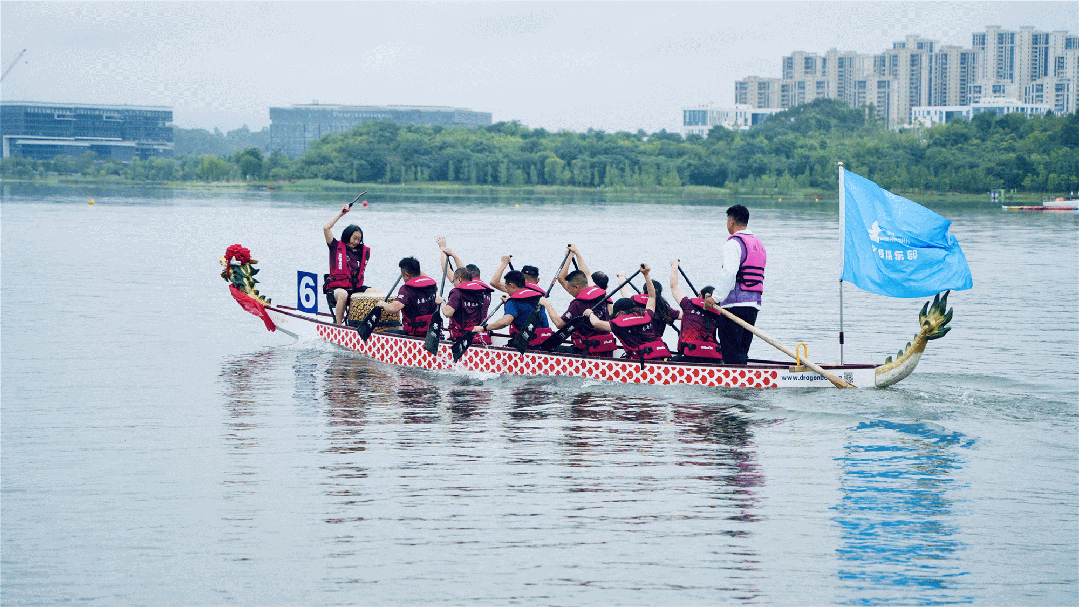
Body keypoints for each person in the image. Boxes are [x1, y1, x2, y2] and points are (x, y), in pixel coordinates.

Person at [583, 264, 672, 361]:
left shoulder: (619, 325)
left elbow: (596, 323)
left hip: (639, 363)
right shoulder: (647, 315)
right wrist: (646, 275)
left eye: (616, 315)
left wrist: (590, 313)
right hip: (658, 358)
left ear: (621, 313)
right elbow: (652, 296)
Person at [714, 204, 766, 365]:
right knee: (741, 351)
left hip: (734, 306)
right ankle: (744, 387)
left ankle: (733, 388)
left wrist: (715, 298)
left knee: (730, 352)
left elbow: (729, 274)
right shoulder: (758, 244)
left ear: (731, 221)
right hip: (753, 305)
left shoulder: (733, 243)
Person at [539, 264, 618, 357]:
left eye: (569, 289)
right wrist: (573, 253)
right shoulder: (601, 294)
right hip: (606, 348)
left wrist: (547, 304)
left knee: (544, 349)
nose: (568, 291)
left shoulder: (577, 304)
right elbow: (587, 273)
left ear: (576, 287)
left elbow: (559, 324)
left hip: (587, 352)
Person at [323, 204, 375, 324]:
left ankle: (370, 325)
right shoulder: (335, 246)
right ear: (348, 235)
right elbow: (326, 228)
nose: (356, 242)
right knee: (343, 293)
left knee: (377, 293)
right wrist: (341, 214)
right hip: (335, 290)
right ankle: (339, 325)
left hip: (354, 288)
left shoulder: (361, 252)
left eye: (359, 239)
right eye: (354, 238)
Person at [473, 270, 551, 347]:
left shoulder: (513, 302)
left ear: (512, 286)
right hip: (546, 341)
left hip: (528, 345)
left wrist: (483, 328)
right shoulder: (538, 297)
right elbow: (525, 310)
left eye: (507, 288)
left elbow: (505, 322)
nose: (507, 291)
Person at [669, 259, 723, 362]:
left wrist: (674, 266)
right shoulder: (718, 313)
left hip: (690, 356)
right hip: (712, 358)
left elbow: (674, 287)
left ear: (700, 295)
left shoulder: (688, 304)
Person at [376, 257, 437, 336]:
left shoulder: (406, 289)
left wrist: (382, 304)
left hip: (415, 334)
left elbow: (393, 308)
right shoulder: (430, 285)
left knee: (388, 331)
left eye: (403, 276)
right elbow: (420, 274)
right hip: (432, 331)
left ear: (407, 275)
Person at [440, 266, 494, 344]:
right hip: (481, 336)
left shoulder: (457, 292)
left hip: (462, 339)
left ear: (459, 279)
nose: (454, 284)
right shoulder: (483, 292)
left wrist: (442, 302)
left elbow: (448, 313)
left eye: (453, 281)